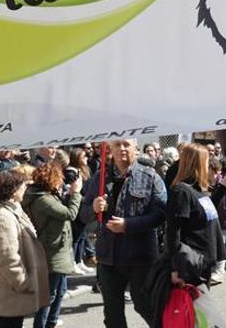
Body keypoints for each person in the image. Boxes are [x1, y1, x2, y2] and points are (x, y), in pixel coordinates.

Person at [79, 139, 167, 328]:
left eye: (126, 144)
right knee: (112, 315)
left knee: (146, 306)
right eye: (117, 145)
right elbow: (83, 214)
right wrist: (94, 207)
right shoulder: (99, 178)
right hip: (108, 258)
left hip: (140, 257)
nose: (122, 149)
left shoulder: (151, 177)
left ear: (136, 149)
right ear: (110, 149)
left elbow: (160, 214)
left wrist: (129, 225)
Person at [0, 169, 49, 328]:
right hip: (10, 292)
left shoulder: (10, 209)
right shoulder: (3, 217)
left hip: (10, 291)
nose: (25, 189)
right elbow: (8, 258)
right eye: (23, 186)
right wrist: (24, 283)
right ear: (13, 190)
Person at [22, 162, 83, 328]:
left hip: (58, 249)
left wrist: (69, 194)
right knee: (49, 295)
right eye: (59, 178)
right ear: (52, 179)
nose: (62, 181)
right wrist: (76, 193)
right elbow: (69, 213)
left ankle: (52, 322)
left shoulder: (46, 194)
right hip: (51, 251)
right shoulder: (42, 199)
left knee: (60, 291)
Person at [166, 143, 224, 290]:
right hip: (191, 265)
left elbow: (206, 215)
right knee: (195, 310)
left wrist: (223, 186)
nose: (208, 166)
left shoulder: (197, 190)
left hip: (203, 264)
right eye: (206, 162)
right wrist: (176, 268)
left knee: (201, 311)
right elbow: (173, 232)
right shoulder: (182, 191)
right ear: (197, 164)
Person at [67, 147, 95, 274]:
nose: (86, 158)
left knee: (82, 236)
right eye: (83, 156)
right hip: (77, 206)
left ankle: (79, 261)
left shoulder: (84, 170)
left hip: (84, 205)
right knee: (76, 236)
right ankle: (73, 262)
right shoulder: (71, 172)